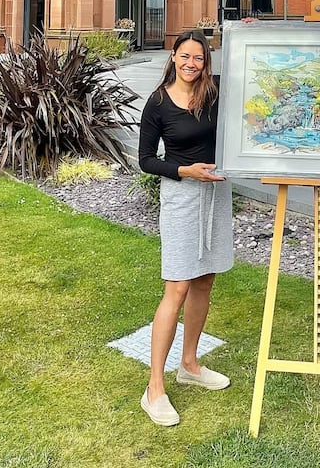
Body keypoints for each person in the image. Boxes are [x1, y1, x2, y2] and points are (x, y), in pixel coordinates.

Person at [137, 29, 233, 427]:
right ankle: (153, 388)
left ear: (206, 61)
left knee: (205, 280)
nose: (191, 64)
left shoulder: (214, 95)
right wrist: (183, 170)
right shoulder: (158, 102)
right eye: (185, 56)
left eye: (199, 58)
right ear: (173, 56)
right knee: (176, 287)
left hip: (215, 196)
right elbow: (145, 160)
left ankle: (189, 365)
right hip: (181, 196)